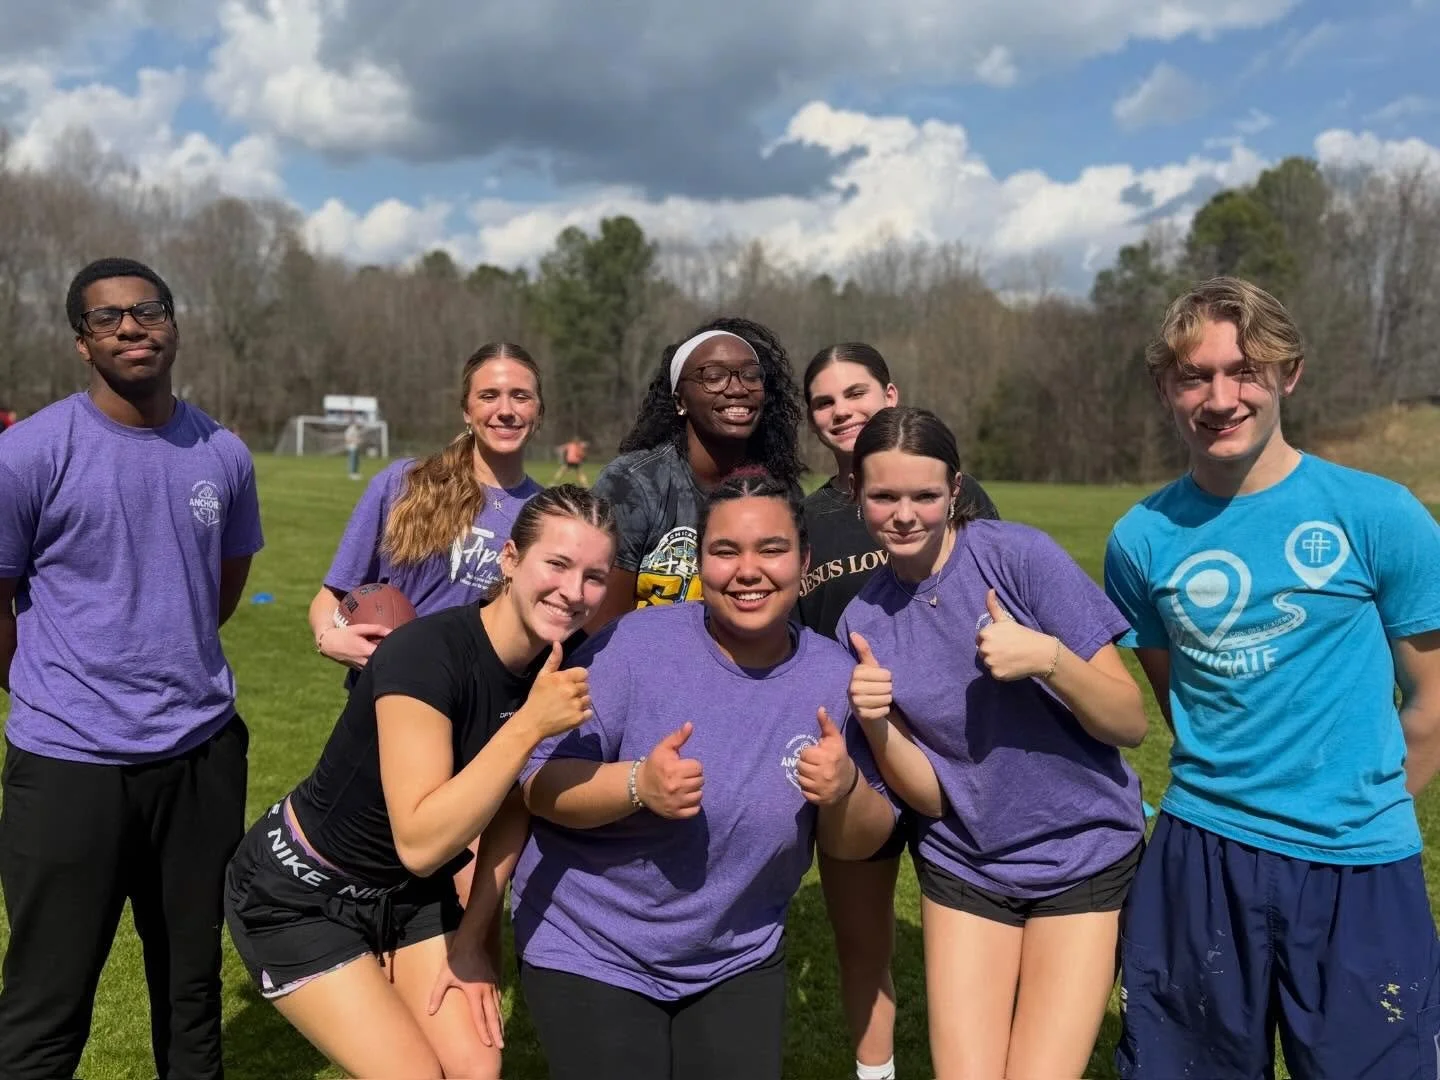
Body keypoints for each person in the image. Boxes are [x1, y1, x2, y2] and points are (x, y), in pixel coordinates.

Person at [441, 472, 897, 1080]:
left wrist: (844, 791)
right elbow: (538, 784)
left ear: (804, 559)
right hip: (592, 942)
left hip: (736, 954)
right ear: (700, 561)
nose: (748, 570)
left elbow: (857, 841)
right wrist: (637, 785)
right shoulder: (634, 646)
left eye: (772, 549)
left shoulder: (834, 678)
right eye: (725, 551)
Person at [1104, 277, 1440, 1078]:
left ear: (1289, 374)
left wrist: (1353, 811)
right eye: (1196, 376)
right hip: (1201, 858)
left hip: (1358, 868)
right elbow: (1180, 699)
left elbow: (1432, 704)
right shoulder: (1140, 539)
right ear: (1166, 388)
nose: (1221, 397)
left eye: (1245, 370)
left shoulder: (1380, 515)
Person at [224, 486, 618, 1080]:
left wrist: (472, 938)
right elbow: (420, 840)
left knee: (476, 1071)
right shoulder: (427, 655)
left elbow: (515, 806)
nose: (572, 591)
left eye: (594, 576)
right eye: (557, 564)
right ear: (510, 559)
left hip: (408, 895)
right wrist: (531, 723)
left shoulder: (561, 666)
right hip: (299, 892)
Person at [0, 257, 263, 1080]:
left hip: (199, 757)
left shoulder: (223, 452)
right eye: (106, 317)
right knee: (47, 1001)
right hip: (69, 765)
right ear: (83, 344)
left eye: (147, 310)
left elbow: (216, 592)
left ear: (174, 324)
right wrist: (49, 688)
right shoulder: (31, 452)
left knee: (191, 996)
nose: (130, 326)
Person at [840, 405, 1149, 1080]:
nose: (904, 514)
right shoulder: (862, 618)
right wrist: (876, 724)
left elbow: (1130, 720)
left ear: (955, 491)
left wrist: (1049, 660)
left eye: (924, 495)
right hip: (967, 865)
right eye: (883, 496)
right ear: (855, 496)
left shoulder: (1019, 558)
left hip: (1082, 856)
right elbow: (931, 796)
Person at [798, 343, 1001, 1080]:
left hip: (958, 746)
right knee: (863, 945)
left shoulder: (961, 494)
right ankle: (874, 1071)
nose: (842, 411)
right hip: (858, 754)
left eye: (856, 392)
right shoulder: (809, 516)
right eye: (824, 402)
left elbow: (995, 608)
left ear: (890, 393)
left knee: (973, 942)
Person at [310, 342, 544, 673]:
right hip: (387, 694)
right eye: (489, 396)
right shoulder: (403, 484)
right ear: (466, 410)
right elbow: (331, 596)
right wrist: (328, 637)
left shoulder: (546, 515)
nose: (506, 409)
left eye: (521, 396)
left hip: (479, 709)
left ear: (539, 412)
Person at [585, 317, 805, 631]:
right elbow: (602, 629)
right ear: (680, 401)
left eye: (750, 375)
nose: (738, 388)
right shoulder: (632, 484)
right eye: (713, 376)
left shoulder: (779, 492)